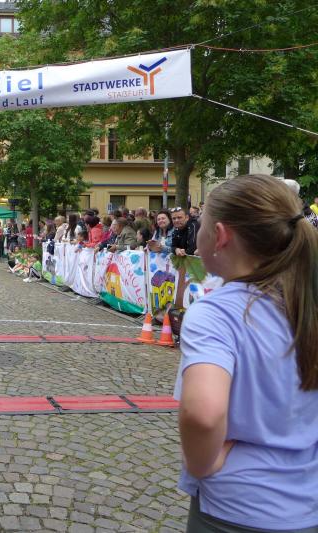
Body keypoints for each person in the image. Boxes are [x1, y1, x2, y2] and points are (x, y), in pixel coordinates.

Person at [175, 174, 318, 532]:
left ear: (220, 235)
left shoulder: (217, 312)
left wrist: (202, 464)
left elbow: (203, 413)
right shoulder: (306, 302)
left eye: (202, 224)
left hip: (235, 509)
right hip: (307, 506)